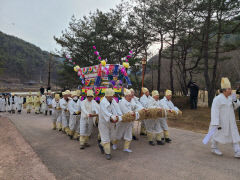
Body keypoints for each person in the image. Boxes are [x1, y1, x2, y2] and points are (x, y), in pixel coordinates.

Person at [209, 77, 240, 158]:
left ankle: (237, 151)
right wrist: (215, 123)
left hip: (231, 121)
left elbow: (236, 106)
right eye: (229, 89)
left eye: (231, 89)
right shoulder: (217, 99)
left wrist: (235, 100)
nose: (231, 90)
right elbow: (214, 111)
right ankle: (214, 147)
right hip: (221, 122)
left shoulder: (231, 97)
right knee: (217, 134)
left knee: (234, 134)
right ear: (224, 90)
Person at [98, 88, 122, 160]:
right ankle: (108, 153)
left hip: (112, 122)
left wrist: (120, 116)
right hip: (104, 123)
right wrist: (112, 117)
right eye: (111, 96)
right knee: (106, 138)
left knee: (112, 136)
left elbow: (117, 109)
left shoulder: (113, 101)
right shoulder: (102, 103)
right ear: (107, 96)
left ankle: (101, 145)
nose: (113, 97)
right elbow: (106, 113)